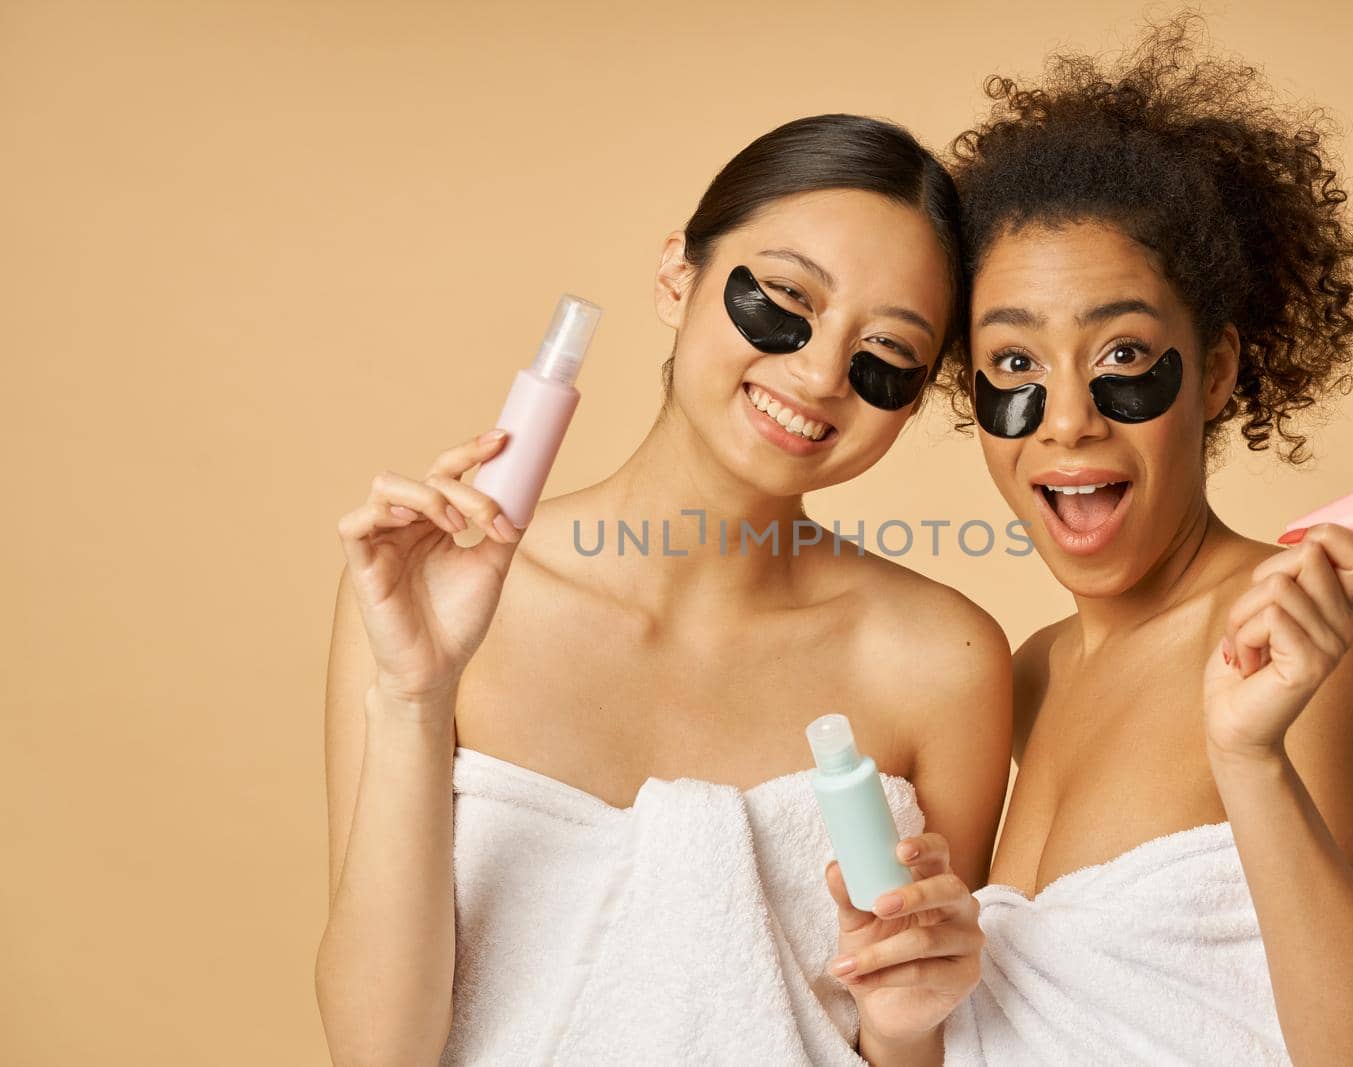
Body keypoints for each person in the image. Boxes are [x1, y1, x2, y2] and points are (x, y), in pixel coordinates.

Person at [314, 114, 1012, 1065]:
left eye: (885, 354)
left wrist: (905, 1018)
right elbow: (376, 1051)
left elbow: (918, 1043)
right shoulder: (427, 600)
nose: (816, 374)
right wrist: (413, 694)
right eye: (782, 298)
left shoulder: (943, 662)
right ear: (677, 276)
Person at [905, 18, 1353, 1064]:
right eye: (1013, 365)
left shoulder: (1289, 641)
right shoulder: (1031, 674)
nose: (1067, 416)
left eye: (1123, 351)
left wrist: (1248, 757)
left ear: (1214, 373)